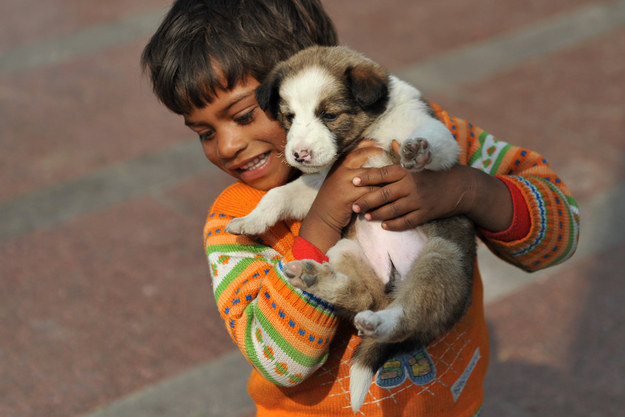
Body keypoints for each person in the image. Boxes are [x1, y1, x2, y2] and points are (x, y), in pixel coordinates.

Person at [141, 0, 580, 415]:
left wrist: (468, 191)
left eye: (243, 115)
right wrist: (322, 221)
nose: (229, 145)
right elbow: (280, 362)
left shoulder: (422, 134)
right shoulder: (235, 222)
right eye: (204, 132)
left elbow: (561, 235)